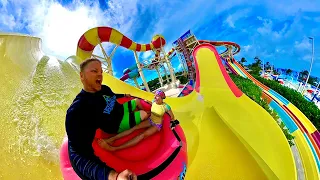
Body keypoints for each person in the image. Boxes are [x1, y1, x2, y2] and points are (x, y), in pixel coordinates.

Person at [65, 58, 149, 180]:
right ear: (82, 76)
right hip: (116, 124)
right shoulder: (78, 109)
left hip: (120, 110)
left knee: (136, 101)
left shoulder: (104, 89)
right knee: (144, 114)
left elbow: (113, 96)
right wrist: (114, 177)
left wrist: (124, 95)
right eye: (94, 71)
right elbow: (78, 154)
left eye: (101, 71)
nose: (100, 74)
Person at [97, 89, 176, 152]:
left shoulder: (166, 107)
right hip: (150, 120)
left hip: (156, 125)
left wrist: (171, 124)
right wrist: (146, 101)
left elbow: (171, 117)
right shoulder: (154, 101)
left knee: (141, 135)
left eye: (157, 96)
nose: (155, 97)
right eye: (155, 96)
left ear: (162, 98)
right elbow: (152, 106)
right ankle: (111, 139)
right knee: (134, 128)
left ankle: (116, 148)